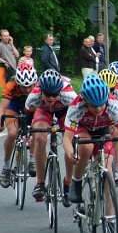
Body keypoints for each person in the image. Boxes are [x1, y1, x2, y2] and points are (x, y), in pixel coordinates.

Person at [62, 74, 118, 204]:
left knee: (108, 169)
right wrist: (70, 154)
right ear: (85, 101)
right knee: (86, 147)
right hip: (83, 129)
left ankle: (110, 214)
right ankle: (77, 180)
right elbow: (67, 139)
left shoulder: (114, 104)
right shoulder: (76, 106)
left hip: (104, 129)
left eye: (101, 105)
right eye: (93, 106)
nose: (98, 109)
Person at [26, 69, 77, 202]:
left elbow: (77, 117)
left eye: (54, 94)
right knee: (40, 138)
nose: (51, 98)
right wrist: (27, 133)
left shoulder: (69, 95)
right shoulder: (34, 96)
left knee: (69, 141)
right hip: (43, 110)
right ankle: (40, 183)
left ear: (60, 90)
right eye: (48, 95)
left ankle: (68, 182)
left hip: (64, 110)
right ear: (41, 90)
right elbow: (27, 119)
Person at [0, 64, 38, 188]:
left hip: (31, 107)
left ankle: (32, 160)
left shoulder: (38, 87)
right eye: (24, 86)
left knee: (36, 129)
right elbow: (2, 108)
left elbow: (42, 108)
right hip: (13, 106)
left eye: (30, 85)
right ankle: (7, 167)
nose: (27, 89)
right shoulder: (11, 86)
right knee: (13, 133)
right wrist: (0, 121)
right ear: (18, 82)